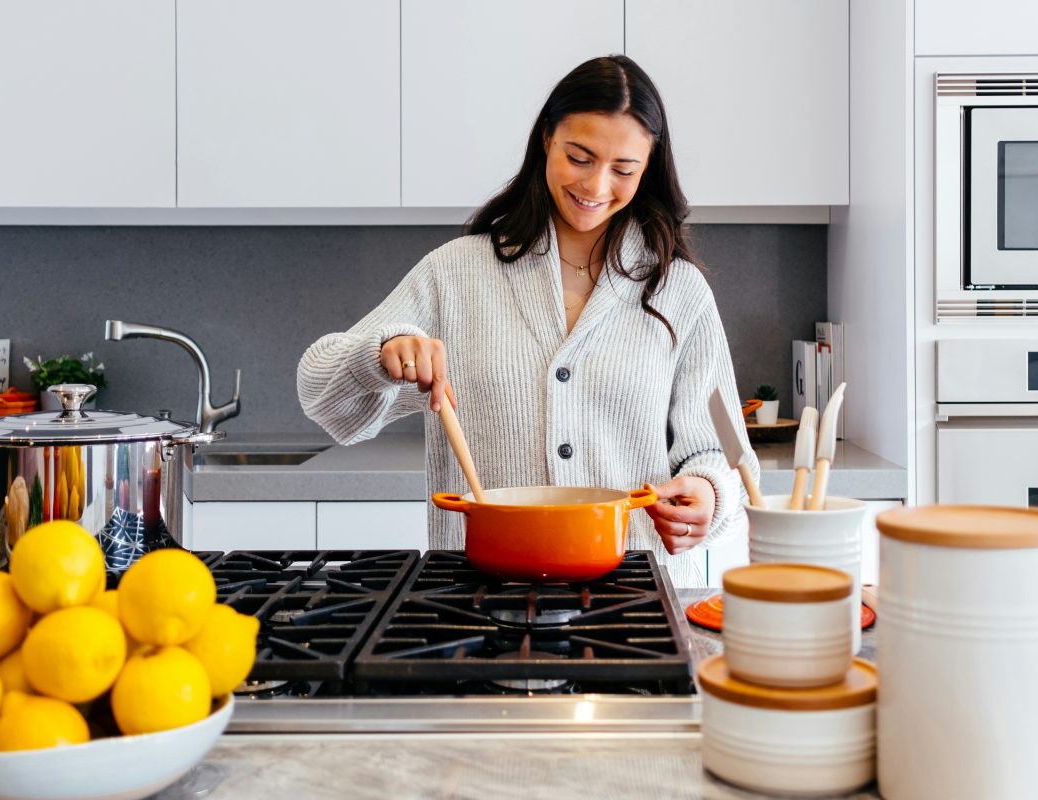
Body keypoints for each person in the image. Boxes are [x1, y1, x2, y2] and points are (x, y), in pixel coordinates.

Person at [297, 55, 758, 587]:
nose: (597, 184)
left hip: (631, 600)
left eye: (623, 169)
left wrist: (706, 493)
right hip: (475, 600)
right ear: (546, 140)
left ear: (649, 167)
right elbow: (321, 395)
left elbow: (722, 453)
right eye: (579, 157)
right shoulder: (458, 273)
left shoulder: (678, 290)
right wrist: (380, 354)